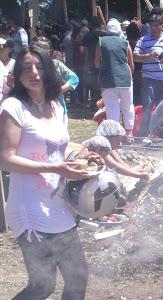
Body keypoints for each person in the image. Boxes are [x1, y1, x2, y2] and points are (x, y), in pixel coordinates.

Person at [0, 46, 90, 299]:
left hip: (58, 205)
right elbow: (4, 160)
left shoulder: (55, 105)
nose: (33, 72)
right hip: (30, 209)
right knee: (42, 285)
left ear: (49, 71)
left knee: (78, 276)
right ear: (17, 75)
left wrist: (81, 158)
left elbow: (57, 150)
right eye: (26, 67)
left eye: (39, 66)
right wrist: (54, 168)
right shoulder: (13, 106)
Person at [133, 14, 163, 137]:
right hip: (149, 79)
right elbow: (134, 57)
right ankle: (143, 135)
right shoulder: (143, 40)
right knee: (147, 107)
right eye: (151, 26)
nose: (152, 28)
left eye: (155, 25)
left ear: (162, 26)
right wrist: (148, 55)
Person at [94, 18, 135, 137]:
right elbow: (131, 65)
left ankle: (115, 136)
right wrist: (129, 76)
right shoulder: (125, 43)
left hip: (108, 80)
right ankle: (129, 134)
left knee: (112, 109)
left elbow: (96, 64)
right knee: (127, 106)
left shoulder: (100, 42)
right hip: (125, 79)